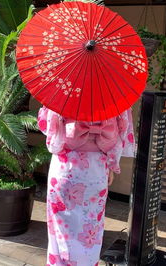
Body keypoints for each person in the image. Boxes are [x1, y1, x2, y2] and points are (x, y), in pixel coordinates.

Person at [38, 106, 135, 266]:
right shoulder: (114, 96)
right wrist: (111, 164)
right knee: (91, 230)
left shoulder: (64, 90)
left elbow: (46, 125)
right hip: (96, 170)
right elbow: (121, 130)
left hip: (65, 166)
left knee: (60, 229)